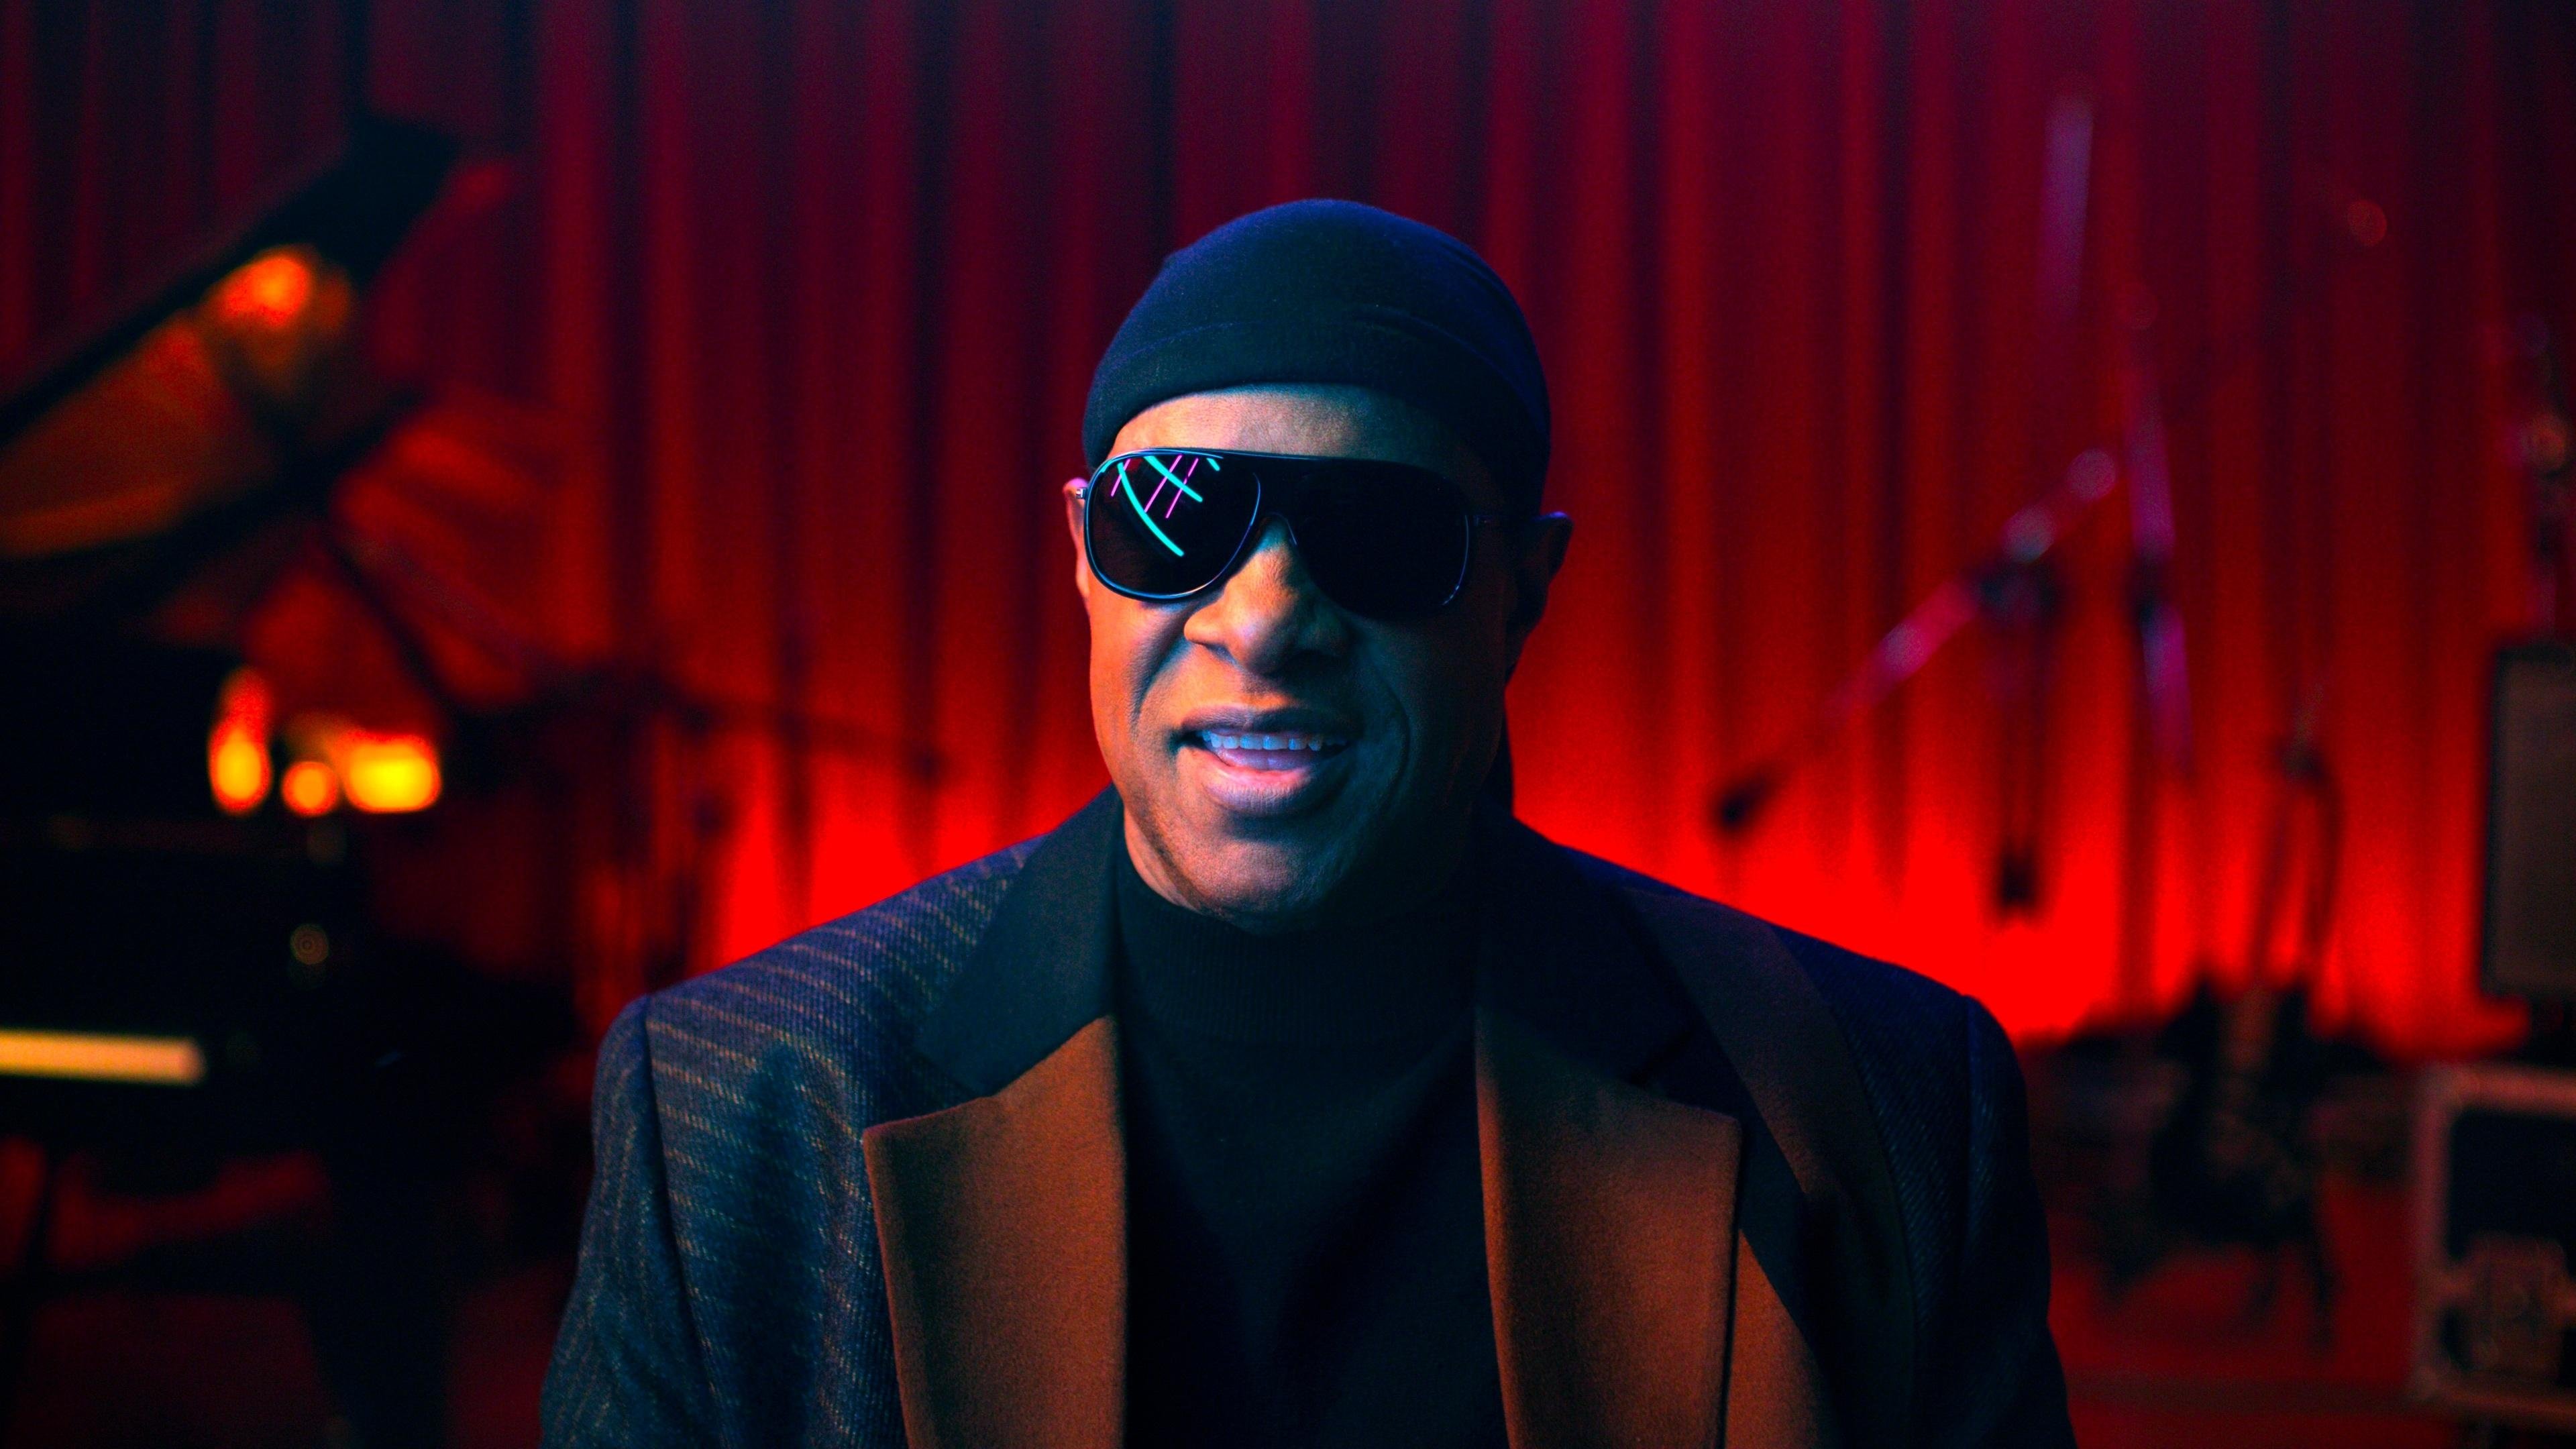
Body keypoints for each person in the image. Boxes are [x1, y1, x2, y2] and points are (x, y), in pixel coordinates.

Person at [541, 199, 2074, 1449]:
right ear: (1081, 551)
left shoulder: (1874, 1112)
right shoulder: (736, 1114)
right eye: (1177, 517)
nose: (1264, 619)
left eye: (1376, 532)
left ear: (1523, 592)